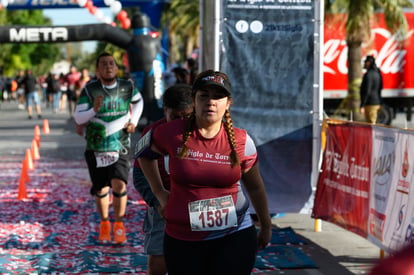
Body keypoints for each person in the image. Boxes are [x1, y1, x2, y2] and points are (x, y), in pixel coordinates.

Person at [137, 70, 272, 275]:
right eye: (204, 95)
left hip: (234, 233)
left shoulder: (243, 141)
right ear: (194, 100)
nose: (211, 101)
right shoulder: (171, 132)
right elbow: (142, 153)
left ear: (228, 103)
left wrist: (265, 224)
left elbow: (255, 186)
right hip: (183, 238)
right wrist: (159, 193)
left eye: (218, 96)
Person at [73, 52, 144, 245]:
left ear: (116, 67)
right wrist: (93, 110)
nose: (108, 67)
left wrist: (133, 121)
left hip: (120, 144)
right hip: (96, 146)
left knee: (119, 184)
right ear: (97, 70)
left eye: (111, 63)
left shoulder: (127, 86)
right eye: (103, 64)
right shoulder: (90, 89)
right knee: (101, 188)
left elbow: (139, 102)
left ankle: (119, 225)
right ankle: (105, 223)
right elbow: (78, 118)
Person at [133, 83, 194, 275]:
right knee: (159, 261)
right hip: (164, 206)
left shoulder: (204, 132)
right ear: (165, 111)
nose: (181, 122)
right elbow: (139, 174)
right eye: (175, 117)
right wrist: (158, 198)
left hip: (198, 205)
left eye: (187, 116)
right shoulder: (152, 134)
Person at [360, 55, 383, 124]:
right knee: (374, 122)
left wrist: (362, 105)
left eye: (365, 62)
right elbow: (381, 87)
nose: (364, 64)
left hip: (370, 104)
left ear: (368, 63)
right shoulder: (378, 73)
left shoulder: (368, 75)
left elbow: (367, 90)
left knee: (371, 125)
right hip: (377, 102)